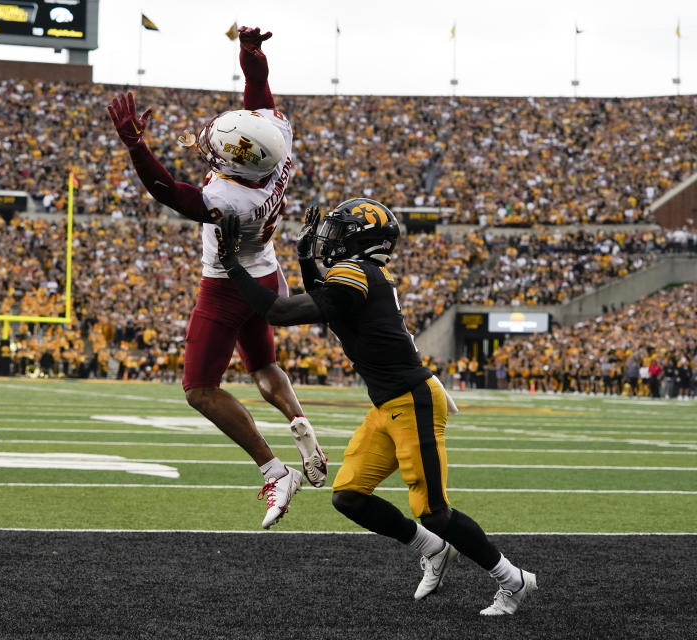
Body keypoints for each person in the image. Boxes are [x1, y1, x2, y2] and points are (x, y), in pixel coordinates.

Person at [214, 198, 538, 615]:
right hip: (388, 404)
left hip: (412, 401)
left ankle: (513, 580)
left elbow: (279, 311)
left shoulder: (356, 274)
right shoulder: (362, 276)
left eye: (339, 231)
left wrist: (231, 265)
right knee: (349, 496)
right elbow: (326, 302)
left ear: (360, 239)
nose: (332, 238)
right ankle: (433, 550)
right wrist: (305, 257)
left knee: (434, 511)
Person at [107, 25, 326, 528]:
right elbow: (259, 95)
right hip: (267, 276)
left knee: (200, 388)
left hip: (227, 285)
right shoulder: (277, 145)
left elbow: (170, 192)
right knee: (264, 366)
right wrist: (251, 55)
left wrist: (137, 147)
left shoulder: (231, 199)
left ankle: (275, 469)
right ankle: (299, 422)